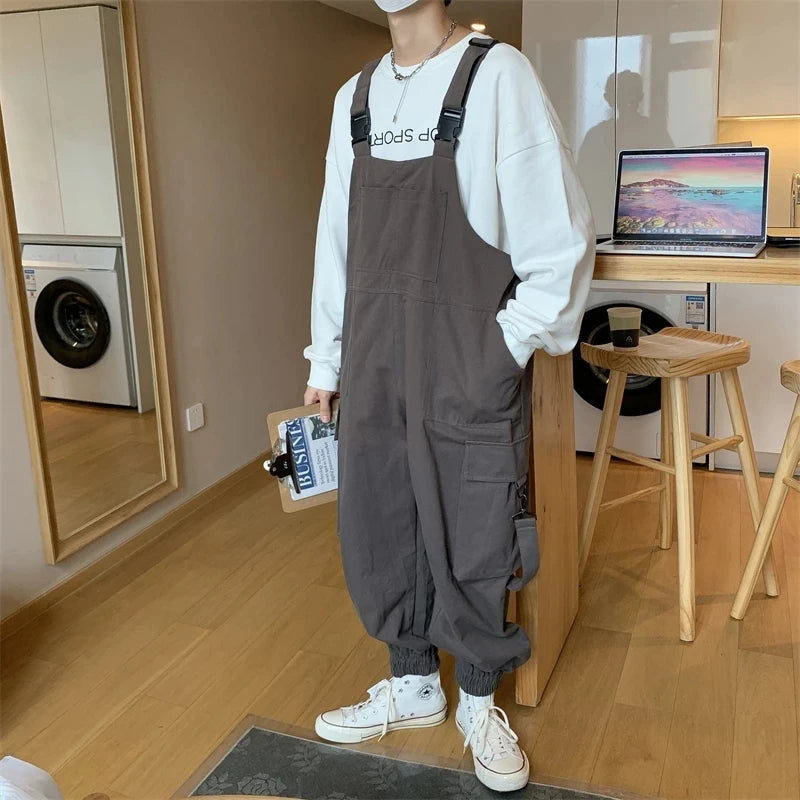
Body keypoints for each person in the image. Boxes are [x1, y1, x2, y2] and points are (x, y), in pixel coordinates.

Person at [303, 0, 594, 791]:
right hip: (373, 355)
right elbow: (335, 239)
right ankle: (412, 684)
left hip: (465, 352)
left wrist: (504, 345)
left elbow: (560, 241)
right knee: (381, 514)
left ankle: (478, 698)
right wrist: (326, 359)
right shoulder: (355, 97)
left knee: (476, 521)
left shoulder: (497, 77)